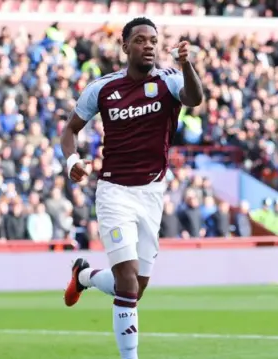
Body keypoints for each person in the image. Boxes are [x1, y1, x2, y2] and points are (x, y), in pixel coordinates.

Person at [60, 17, 203, 359]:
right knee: (126, 282)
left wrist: (187, 65)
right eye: (140, 40)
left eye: (153, 39)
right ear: (125, 47)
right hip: (115, 193)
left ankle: (85, 276)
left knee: (136, 289)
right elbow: (70, 131)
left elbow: (194, 99)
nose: (149, 45)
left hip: (152, 194)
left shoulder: (170, 81)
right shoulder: (103, 89)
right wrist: (71, 161)